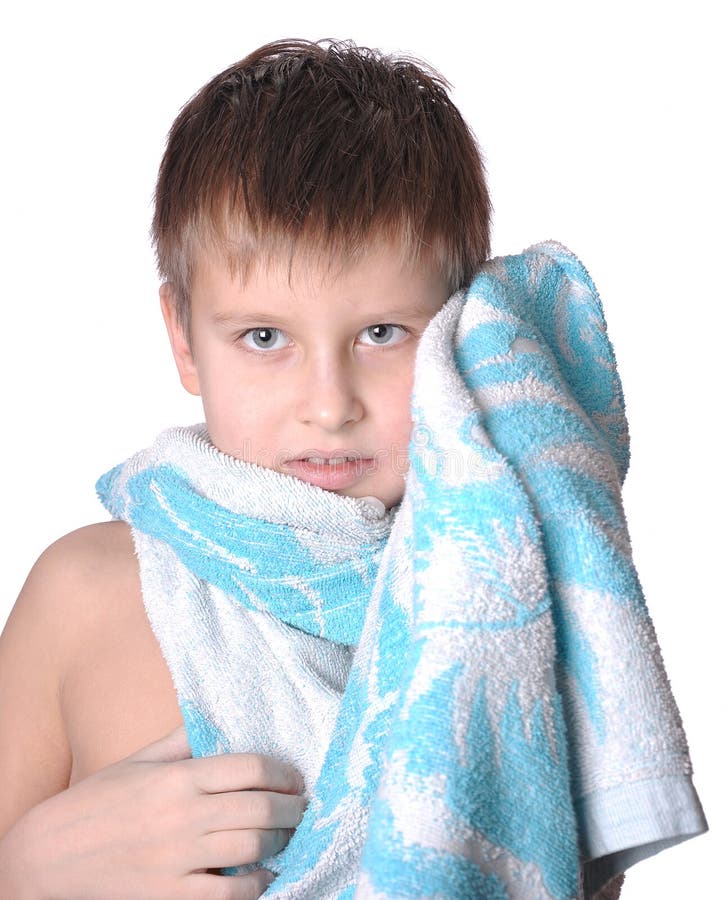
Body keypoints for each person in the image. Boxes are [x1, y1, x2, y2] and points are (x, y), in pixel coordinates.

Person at [0, 39, 705, 900]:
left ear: (462, 328)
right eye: (264, 337)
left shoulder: (510, 604)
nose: (328, 405)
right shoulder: (86, 594)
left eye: (382, 333)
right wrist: (22, 873)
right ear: (184, 338)